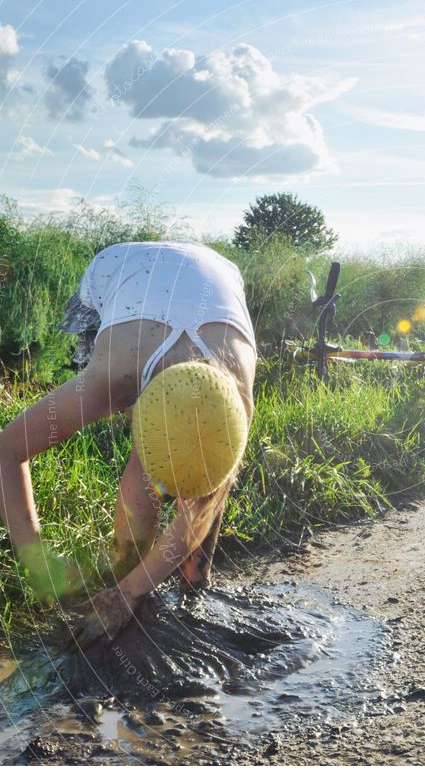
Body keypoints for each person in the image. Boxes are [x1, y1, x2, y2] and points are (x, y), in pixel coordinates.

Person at [0, 241, 257, 646]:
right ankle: (126, 568)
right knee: (149, 465)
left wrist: (134, 593)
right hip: (124, 270)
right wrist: (38, 562)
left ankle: (193, 577)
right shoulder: (111, 379)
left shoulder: (236, 403)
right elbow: (7, 451)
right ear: (136, 412)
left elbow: (205, 504)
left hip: (220, 280)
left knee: (200, 476)